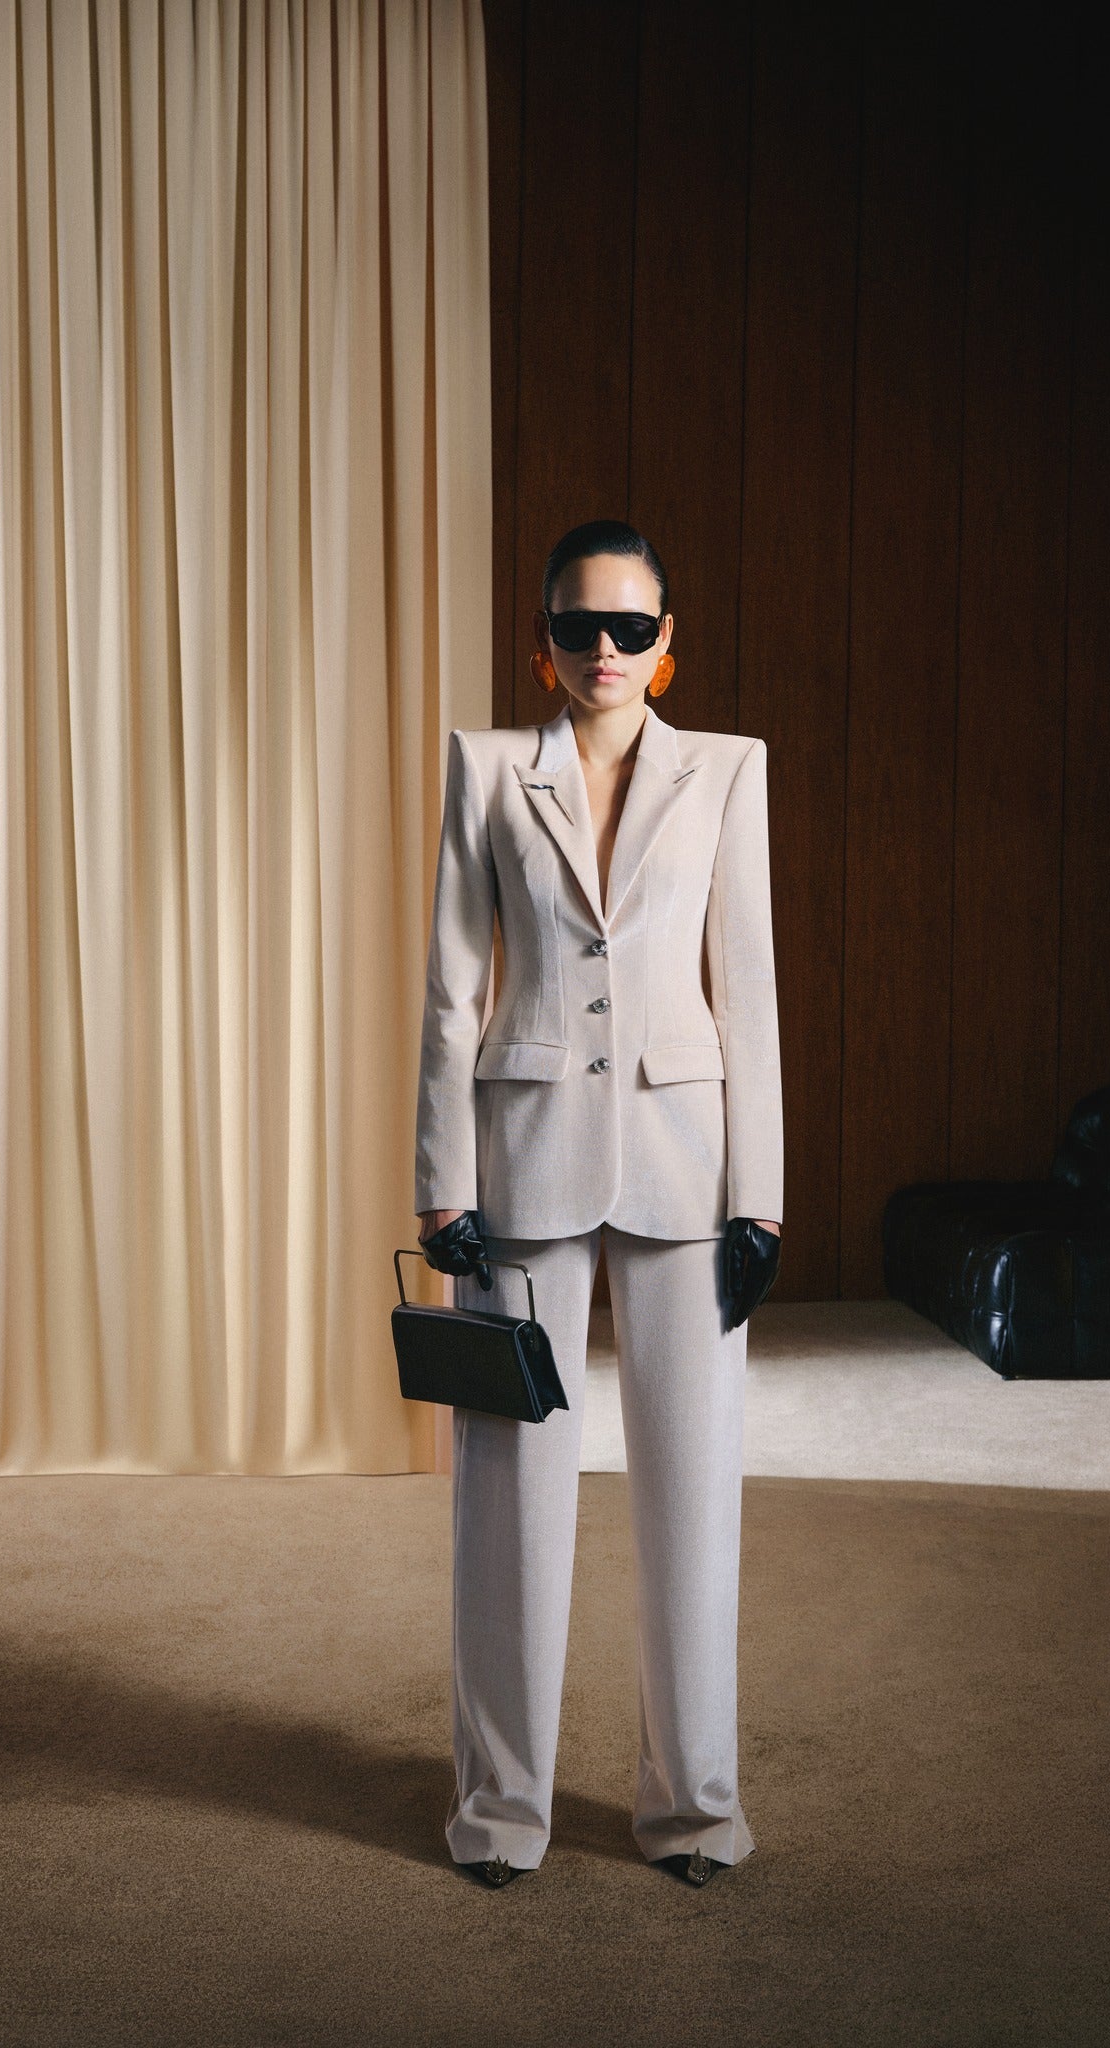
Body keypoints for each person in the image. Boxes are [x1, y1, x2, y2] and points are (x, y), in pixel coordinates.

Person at [414, 518, 783, 1892]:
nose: (607, 650)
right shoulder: (488, 770)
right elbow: (453, 989)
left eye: (633, 628)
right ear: (545, 643)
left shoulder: (729, 775)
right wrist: (441, 1182)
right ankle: (501, 1815)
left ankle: (694, 1810)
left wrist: (767, 1197)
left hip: (692, 1165)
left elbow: (747, 990)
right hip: (520, 1161)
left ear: (669, 648)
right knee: (509, 1503)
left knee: (696, 1499)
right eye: (582, 627)